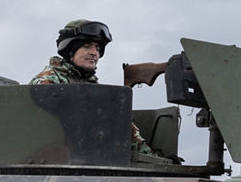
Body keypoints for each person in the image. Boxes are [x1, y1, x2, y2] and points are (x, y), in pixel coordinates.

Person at [31, 19, 154, 155]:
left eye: (97, 48)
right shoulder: (47, 82)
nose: (94, 53)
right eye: (87, 46)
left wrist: (151, 157)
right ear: (70, 50)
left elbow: (123, 128)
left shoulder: (93, 87)